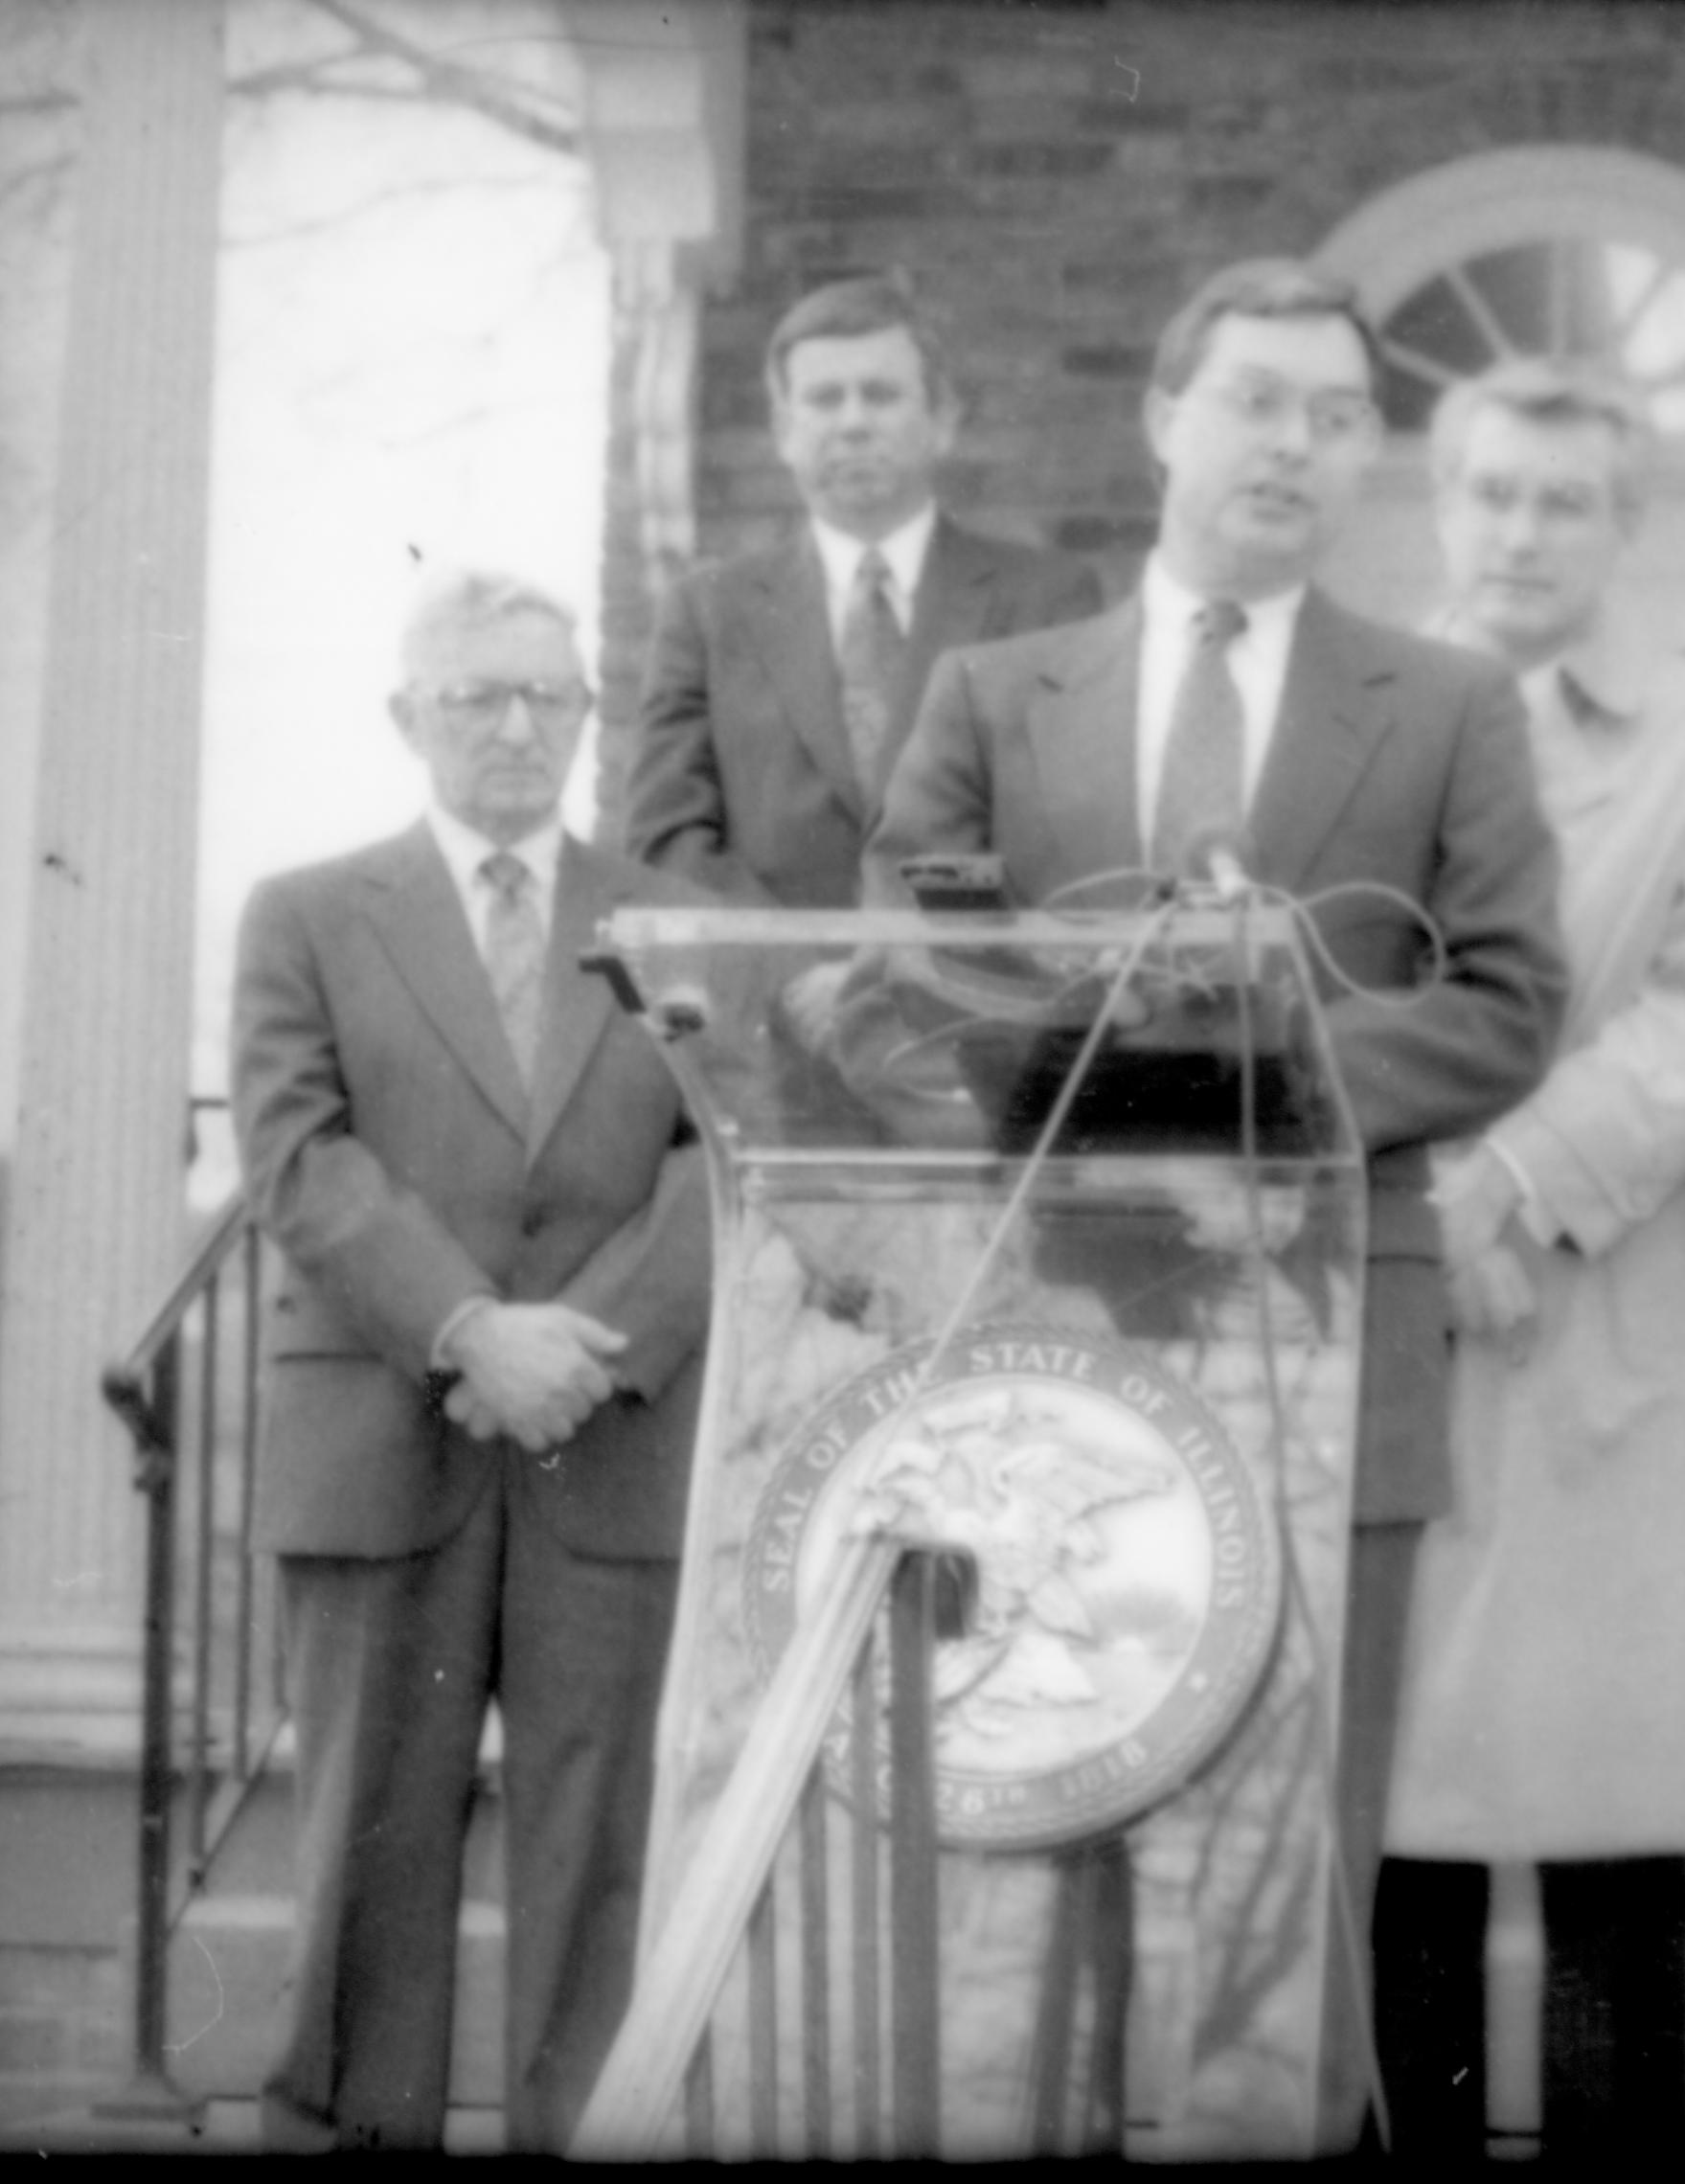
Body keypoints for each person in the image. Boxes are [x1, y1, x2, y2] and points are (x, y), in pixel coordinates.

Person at [861, 257, 1568, 2147]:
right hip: (1045, 1347)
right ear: (1166, 419)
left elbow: (1509, 1001)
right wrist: (1119, 1067)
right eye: (1258, 401)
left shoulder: (1444, 704)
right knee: (1039, 1824)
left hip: (1326, 1340)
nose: (1298, 446)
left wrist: (1267, 1071)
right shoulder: (998, 697)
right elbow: (887, 977)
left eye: (1340, 418)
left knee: (1289, 1868)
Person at [1374, 360, 1685, 2158]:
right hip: (1398, 1302)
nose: (1524, 532)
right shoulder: (1355, 719)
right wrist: (1426, 1201)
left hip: (1610, 1299)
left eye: (1567, 501)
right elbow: (1300, 1001)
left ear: (1628, 527)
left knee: (1611, 1819)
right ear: (1444, 505)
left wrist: (1514, 1184)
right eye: (1492, 493)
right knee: (1405, 1824)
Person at [230, 571, 712, 2151]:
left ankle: (585, 2132)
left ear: (586, 715)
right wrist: (468, 1331)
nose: (518, 727)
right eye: (476, 697)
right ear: (407, 717)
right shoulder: (307, 912)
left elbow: (730, 1159)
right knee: (373, 1838)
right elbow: (299, 1155)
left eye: (547, 698)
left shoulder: (668, 920)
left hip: (608, 1433)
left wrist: (594, 1346)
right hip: (387, 1431)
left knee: (602, 1839)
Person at [625, 272, 1104, 907]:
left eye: (880, 395)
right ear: (783, 431)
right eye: (824, 399)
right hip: (770, 995)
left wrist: (901, 969)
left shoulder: (1046, 601)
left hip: (968, 995)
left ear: (943, 421)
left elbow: (1068, 837)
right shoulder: (707, 613)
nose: (853, 423)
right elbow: (668, 842)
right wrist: (794, 974)